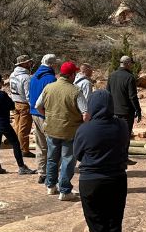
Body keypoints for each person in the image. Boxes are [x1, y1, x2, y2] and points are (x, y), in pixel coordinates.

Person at [74, 90, 130, 232]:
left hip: (91, 181)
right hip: (116, 179)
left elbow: (78, 154)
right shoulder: (122, 126)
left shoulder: (85, 130)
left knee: (96, 226)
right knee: (114, 225)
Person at [36, 61, 87, 201]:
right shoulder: (75, 91)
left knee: (52, 158)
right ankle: (64, 190)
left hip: (51, 129)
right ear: (71, 75)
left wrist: (48, 116)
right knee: (68, 160)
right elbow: (85, 114)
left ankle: (50, 186)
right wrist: (84, 127)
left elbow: (38, 106)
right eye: (75, 74)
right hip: (70, 132)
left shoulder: (49, 87)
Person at [0, 73, 37, 176]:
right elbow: (12, 106)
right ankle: (21, 167)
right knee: (15, 143)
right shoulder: (1, 95)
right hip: (2, 122)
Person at [28, 54, 59, 184]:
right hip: (45, 114)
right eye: (56, 64)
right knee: (52, 146)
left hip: (34, 113)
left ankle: (41, 172)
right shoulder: (51, 79)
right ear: (51, 64)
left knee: (40, 146)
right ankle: (51, 174)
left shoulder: (34, 77)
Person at [107, 55, 142, 138]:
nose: (132, 66)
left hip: (113, 112)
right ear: (128, 64)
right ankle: (124, 151)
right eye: (131, 64)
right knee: (125, 137)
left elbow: (107, 93)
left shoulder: (111, 75)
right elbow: (132, 97)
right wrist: (138, 110)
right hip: (126, 113)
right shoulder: (130, 77)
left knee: (115, 136)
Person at [8, 55, 36, 157]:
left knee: (17, 126)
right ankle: (24, 150)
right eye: (28, 62)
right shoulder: (26, 77)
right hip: (24, 104)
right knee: (24, 129)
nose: (30, 64)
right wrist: (32, 106)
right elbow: (28, 94)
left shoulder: (12, 74)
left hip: (15, 102)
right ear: (23, 64)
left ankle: (17, 146)